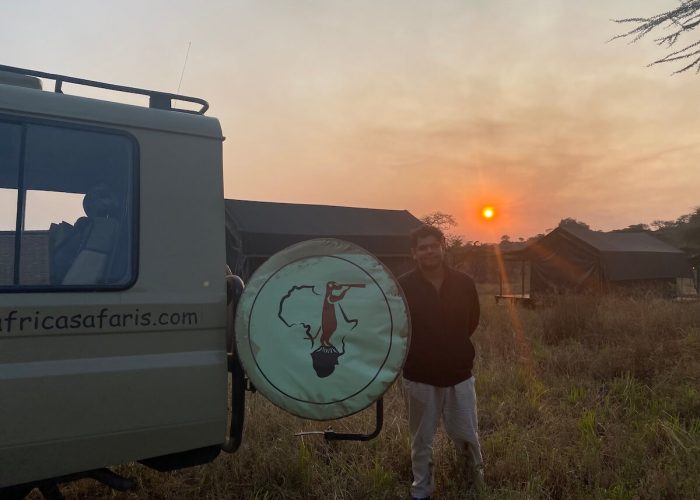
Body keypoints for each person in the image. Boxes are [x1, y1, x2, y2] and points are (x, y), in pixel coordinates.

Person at [399, 224, 483, 500]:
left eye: (433, 245)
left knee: (467, 436)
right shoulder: (403, 286)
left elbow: (471, 321)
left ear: (443, 247)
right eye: (422, 247)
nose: (429, 251)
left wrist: (452, 348)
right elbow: (398, 326)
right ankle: (422, 489)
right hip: (419, 376)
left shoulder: (464, 283)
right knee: (421, 440)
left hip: (459, 374)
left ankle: (473, 484)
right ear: (414, 254)